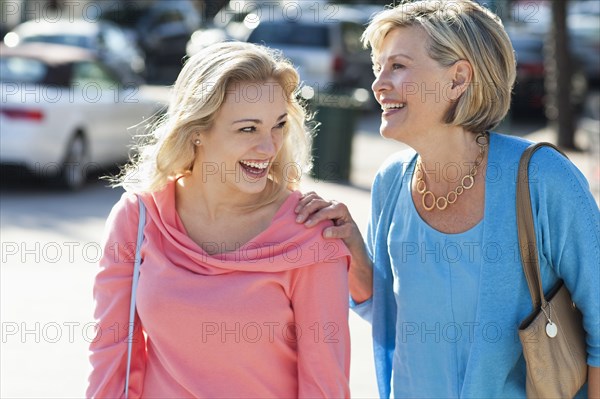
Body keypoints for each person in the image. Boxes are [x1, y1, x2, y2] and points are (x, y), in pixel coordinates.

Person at [295, 1, 600, 398]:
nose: (378, 84)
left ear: (458, 79)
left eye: (398, 66)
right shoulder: (391, 181)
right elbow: (392, 316)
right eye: (379, 68)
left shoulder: (543, 179)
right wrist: (353, 249)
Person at [87, 41, 351, 398]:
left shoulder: (310, 233)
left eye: (278, 125)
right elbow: (111, 358)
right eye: (248, 129)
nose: (269, 148)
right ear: (197, 130)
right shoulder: (137, 218)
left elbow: (325, 384)